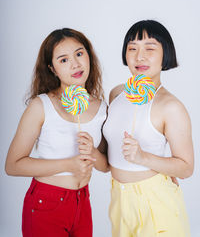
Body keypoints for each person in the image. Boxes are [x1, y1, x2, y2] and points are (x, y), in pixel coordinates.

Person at [5, 28, 109, 237]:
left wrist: (93, 152)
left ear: (89, 55)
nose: (75, 64)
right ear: (52, 68)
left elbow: (105, 166)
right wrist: (68, 164)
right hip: (46, 203)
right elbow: (12, 166)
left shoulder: (102, 108)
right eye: (63, 60)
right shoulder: (41, 105)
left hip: (82, 202)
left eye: (79, 54)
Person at [103, 20, 194, 237]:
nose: (139, 56)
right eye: (132, 48)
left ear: (165, 54)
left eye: (150, 49)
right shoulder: (116, 94)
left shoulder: (171, 106)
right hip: (119, 200)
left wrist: (143, 157)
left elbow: (186, 168)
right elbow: (108, 155)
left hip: (156, 200)